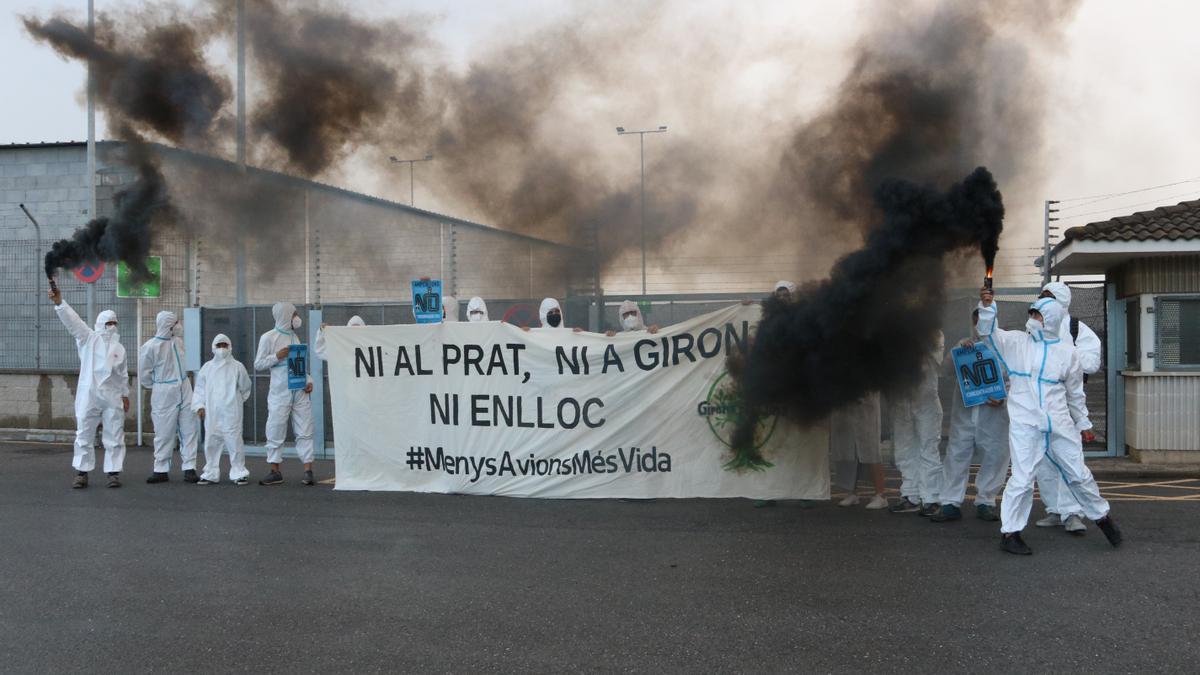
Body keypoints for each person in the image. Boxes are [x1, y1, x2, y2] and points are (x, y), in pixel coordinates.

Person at [977, 287, 1122, 555]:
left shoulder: (1068, 353)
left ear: (1052, 318)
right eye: (1031, 312)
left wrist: (1085, 425)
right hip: (1025, 425)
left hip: (1059, 423)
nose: (1032, 317)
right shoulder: (1017, 342)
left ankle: (1103, 518)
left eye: (1038, 314)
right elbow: (988, 334)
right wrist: (988, 308)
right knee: (1022, 479)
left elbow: (1075, 395)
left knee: (1078, 474)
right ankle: (1010, 533)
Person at [1033, 281, 1103, 535]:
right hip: (1039, 405)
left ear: (1062, 300)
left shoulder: (1077, 329)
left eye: (1049, 296)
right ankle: (1054, 509)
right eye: (1042, 296)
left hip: (1068, 405)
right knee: (1043, 461)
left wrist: (1064, 354)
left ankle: (1072, 512)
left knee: (1070, 459)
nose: (1044, 301)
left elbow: (1092, 362)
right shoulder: (1034, 329)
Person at [931, 310, 1010, 523]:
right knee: (956, 456)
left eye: (983, 322)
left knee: (995, 457)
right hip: (965, 415)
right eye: (976, 322)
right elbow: (945, 371)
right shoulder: (964, 344)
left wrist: (1005, 398)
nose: (979, 326)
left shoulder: (1006, 347)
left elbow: (1016, 379)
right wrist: (957, 352)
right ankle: (950, 503)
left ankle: (986, 502)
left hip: (995, 415)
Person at [49, 287, 129, 489]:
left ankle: (113, 473)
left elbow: (122, 375)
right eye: (108, 323)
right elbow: (73, 321)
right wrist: (60, 303)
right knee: (84, 432)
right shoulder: (88, 338)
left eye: (114, 323)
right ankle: (82, 472)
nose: (111, 327)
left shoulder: (119, 349)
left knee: (115, 433)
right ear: (100, 324)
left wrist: (125, 395)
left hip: (112, 395)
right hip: (90, 392)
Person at [254, 302, 315, 486]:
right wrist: (277, 356)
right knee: (275, 428)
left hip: (299, 389)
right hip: (280, 391)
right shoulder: (268, 338)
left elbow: (298, 365)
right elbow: (258, 364)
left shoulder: (295, 337)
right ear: (285, 315)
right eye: (294, 313)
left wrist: (308, 380)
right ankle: (275, 470)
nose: (297, 317)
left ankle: (308, 470)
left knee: (305, 429)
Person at [139, 310, 201, 484]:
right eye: (176, 323)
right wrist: (159, 386)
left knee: (189, 428)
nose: (179, 325)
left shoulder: (178, 342)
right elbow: (144, 374)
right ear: (169, 325)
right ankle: (160, 468)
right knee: (164, 431)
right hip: (164, 391)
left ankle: (189, 467)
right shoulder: (150, 346)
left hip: (184, 386)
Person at [888, 330, 945, 516]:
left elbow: (934, 359)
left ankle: (931, 498)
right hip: (902, 400)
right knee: (904, 449)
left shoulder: (931, 331)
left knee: (928, 447)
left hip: (925, 400)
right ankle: (910, 495)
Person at [193, 334, 252, 485]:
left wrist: (236, 402)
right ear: (213, 347)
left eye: (224, 345)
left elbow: (246, 387)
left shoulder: (237, 367)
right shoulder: (207, 368)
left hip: (231, 411)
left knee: (234, 441)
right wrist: (200, 405)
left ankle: (239, 472)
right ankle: (210, 473)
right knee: (211, 441)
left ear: (230, 347)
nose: (222, 349)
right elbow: (199, 389)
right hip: (212, 412)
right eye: (219, 345)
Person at [830, 393, 890, 509]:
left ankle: (881, 495)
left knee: (871, 451)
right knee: (846, 449)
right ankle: (851, 493)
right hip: (843, 407)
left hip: (866, 405)